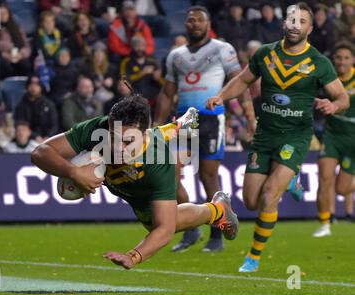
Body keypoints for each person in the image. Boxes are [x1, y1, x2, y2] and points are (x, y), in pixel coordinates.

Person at [206, 2, 349, 272]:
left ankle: (254, 256)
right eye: (292, 19)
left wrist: (333, 105)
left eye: (302, 21)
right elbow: (243, 81)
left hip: (295, 136)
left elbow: (341, 97)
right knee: (250, 201)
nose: (295, 25)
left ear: (310, 27)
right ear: (285, 23)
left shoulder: (319, 62)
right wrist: (220, 96)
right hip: (265, 135)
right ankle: (291, 182)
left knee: (270, 194)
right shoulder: (265, 54)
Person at [31, 94, 239, 269]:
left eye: (128, 141)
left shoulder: (160, 164)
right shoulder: (99, 129)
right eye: (114, 137)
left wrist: (133, 256)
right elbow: (40, 152)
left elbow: (164, 230)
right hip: (126, 168)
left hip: (141, 186)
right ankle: (178, 125)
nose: (119, 147)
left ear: (142, 134)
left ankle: (217, 210)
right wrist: (73, 172)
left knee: (157, 224)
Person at [154, 6, 255, 253]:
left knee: (208, 176)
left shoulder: (223, 49)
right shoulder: (175, 55)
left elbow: (240, 82)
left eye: (200, 20)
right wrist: (156, 124)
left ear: (208, 24)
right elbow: (167, 93)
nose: (194, 23)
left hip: (211, 119)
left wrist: (250, 117)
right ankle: (191, 227)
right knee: (171, 174)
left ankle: (216, 234)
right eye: (190, 20)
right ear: (185, 25)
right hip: (183, 121)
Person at [313, 42, 355, 237]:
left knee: (342, 189)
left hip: (352, 139)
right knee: (324, 175)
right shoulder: (327, 79)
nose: (342, 61)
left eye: (346, 58)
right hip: (332, 135)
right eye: (338, 57)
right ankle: (324, 223)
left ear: (353, 60)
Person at [0, 4, 32, 78]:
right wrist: (10, 49)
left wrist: (21, 55)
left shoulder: (16, 28)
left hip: (18, 55)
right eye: (0, 14)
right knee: (5, 65)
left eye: (5, 13)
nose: (3, 16)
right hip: (3, 55)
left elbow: (26, 45)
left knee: (26, 64)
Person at [119, 35, 161, 108]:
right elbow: (124, 80)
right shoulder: (126, 62)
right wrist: (141, 73)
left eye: (142, 46)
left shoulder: (153, 62)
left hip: (153, 98)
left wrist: (157, 78)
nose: (140, 48)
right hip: (134, 98)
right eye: (137, 46)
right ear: (132, 47)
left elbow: (161, 81)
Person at [14, 75, 59, 143]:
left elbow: (54, 126)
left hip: (48, 139)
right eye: (31, 84)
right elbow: (20, 125)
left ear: (41, 87)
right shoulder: (21, 105)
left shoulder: (49, 104)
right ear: (27, 86)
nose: (33, 87)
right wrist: (34, 136)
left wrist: (48, 137)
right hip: (28, 140)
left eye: (36, 85)